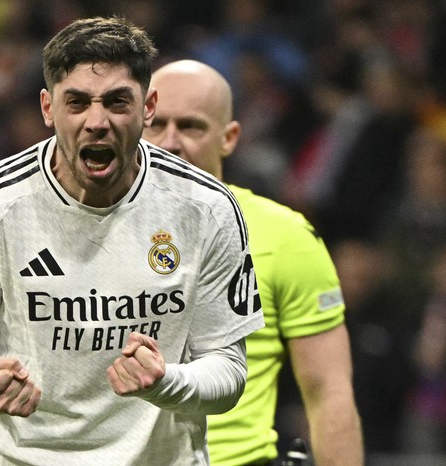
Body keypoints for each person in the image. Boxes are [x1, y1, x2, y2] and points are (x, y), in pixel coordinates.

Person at [0, 17, 263, 466]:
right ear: (47, 107)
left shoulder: (207, 207)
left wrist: (165, 382)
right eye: (76, 102)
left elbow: (229, 370)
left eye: (118, 102)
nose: (97, 121)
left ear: (148, 106)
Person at [144, 59, 363, 466]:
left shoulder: (286, 237)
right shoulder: (89, 234)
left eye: (191, 126)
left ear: (229, 138)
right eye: (156, 125)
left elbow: (328, 391)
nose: (170, 142)